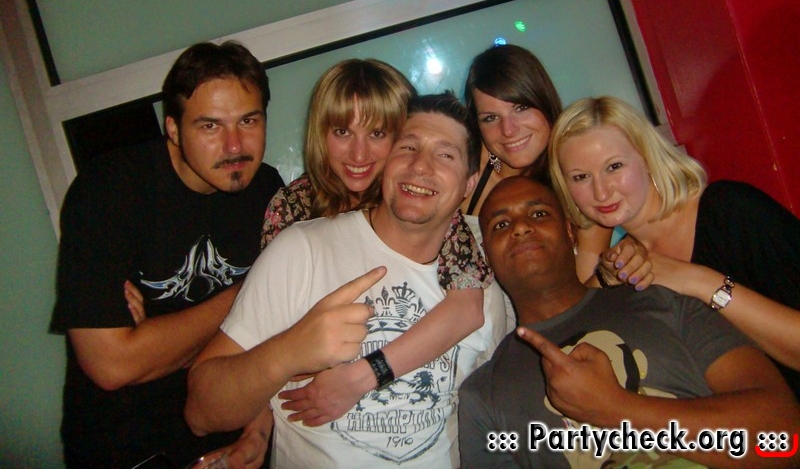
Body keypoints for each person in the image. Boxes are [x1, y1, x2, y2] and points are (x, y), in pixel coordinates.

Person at [185, 93, 506, 468]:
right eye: (408, 147)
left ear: (469, 183)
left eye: (445, 155)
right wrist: (289, 351)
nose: (421, 166)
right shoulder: (301, 249)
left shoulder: (481, 285)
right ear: (385, 161)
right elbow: (201, 413)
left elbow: (494, 428)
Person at [50, 41, 285, 469]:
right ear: (173, 130)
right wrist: (248, 292)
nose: (235, 145)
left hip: (228, 429)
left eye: (248, 121)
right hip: (125, 444)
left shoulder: (268, 191)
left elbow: (274, 335)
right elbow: (113, 366)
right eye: (210, 126)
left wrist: (258, 430)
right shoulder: (109, 192)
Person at [459, 176, 800, 468]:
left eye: (538, 214)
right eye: (501, 225)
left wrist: (618, 409)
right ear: (486, 256)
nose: (520, 227)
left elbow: (786, 437)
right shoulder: (483, 395)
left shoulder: (665, 303)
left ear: (570, 232)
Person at [260, 59, 493, 426]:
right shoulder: (293, 207)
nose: (359, 154)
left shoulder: (421, 210)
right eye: (342, 132)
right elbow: (267, 338)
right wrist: (258, 429)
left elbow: (467, 307)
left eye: (378, 134)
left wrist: (364, 375)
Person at [549, 95, 800, 393]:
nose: (601, 192)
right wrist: (605, 276)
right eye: (580, 177)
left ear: (647, 158)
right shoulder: (625, 262)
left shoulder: (729, 211)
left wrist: (697, 281)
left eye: (614, 167)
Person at [461, 44, 620, 324]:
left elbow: (581, 293)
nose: (508, 130)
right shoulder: (469, 167)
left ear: (543, 99)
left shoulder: (581, 178)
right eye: (490, 118)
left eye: (521, 108)